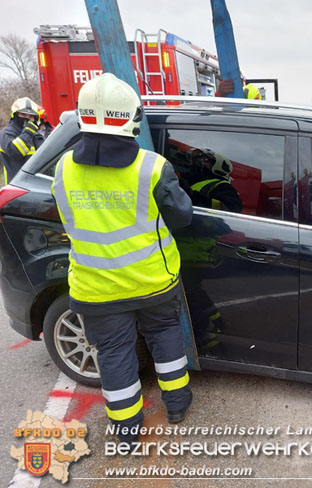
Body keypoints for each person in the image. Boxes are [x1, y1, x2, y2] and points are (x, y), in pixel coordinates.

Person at [51, 73, 193, 446]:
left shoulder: (63, 168)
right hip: (152, 282)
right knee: (165, 338)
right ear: (132, 118)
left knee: (114, 355)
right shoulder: (152, 167)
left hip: (96, 288)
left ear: (83, 116)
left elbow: (66, 216)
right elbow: (182, 217)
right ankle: (177, 405)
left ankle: (127, 432)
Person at [0, 97, 43, 184]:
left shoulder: (37, 135)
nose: (27, 118)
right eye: (23, 115)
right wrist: (28, 133)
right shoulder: (6, 133)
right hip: (17, 187)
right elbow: (15, 153)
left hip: (37, 185)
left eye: (31, 116)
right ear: (15, 115)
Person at [187, 148, 243, 213]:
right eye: (199, 158)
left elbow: (231, 209)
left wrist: (193, 196)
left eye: (205, 159)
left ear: (218, 165)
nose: (200, 161)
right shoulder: (192, 180)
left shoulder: (224, 187)